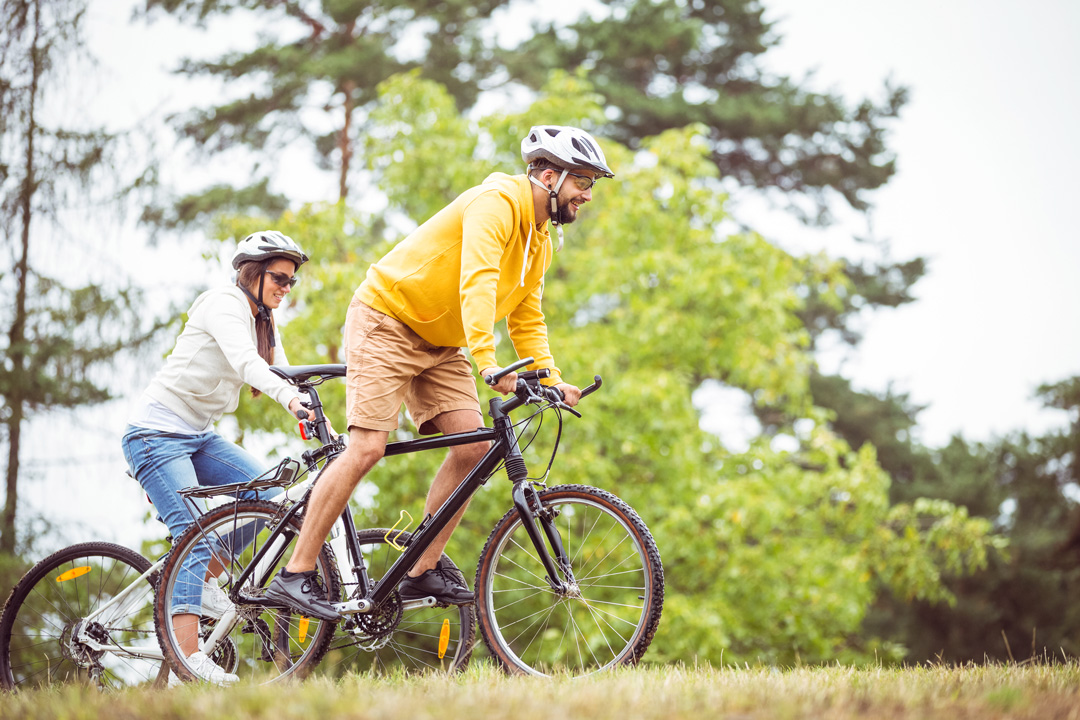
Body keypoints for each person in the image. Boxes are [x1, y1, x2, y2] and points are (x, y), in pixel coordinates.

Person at [265, 126, 614, 620]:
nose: (588, 195)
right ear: (549, 175)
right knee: (368, 446)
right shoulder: (497, 203)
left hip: (443, 341)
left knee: (473, 448)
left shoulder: (540, 241)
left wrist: (551, 377)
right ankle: (295, 574)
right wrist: (489, 364)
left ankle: (420, 571)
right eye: (583, 181)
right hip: (387, 319)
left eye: (592, 184)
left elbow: (526, 317)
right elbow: (478, 282)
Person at [121, 231, 311, 684]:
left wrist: (314, 408)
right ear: (253, 273)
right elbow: (250, 365)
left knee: (270, 495)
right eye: (280, 278)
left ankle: (202, 582)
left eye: (292, 282)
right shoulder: (223, 304)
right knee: (195, 534)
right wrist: (289, 401)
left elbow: (281, 370)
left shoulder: (262, 318)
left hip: (198, 437)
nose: (286, 288)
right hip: (155, 436)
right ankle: (190, 659)